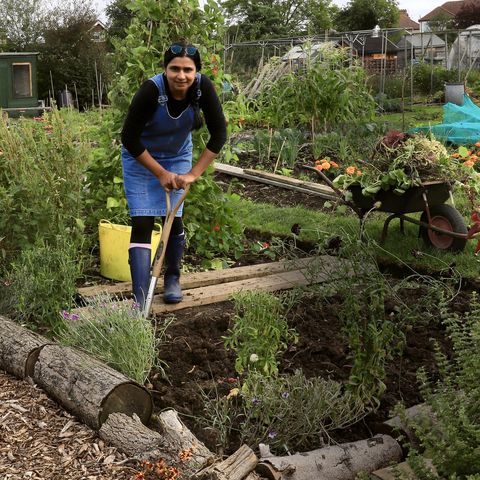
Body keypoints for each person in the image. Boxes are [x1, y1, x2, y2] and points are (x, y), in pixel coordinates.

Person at [121, 41, 227, 307]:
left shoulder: (204, 89)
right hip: (142, 158)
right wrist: (159, 172)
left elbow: (219, 135)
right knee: (142, 222)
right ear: (165, 69)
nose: (181, 75)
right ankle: (140, 298)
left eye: (188, 70)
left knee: (174, 217)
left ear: (196, 72)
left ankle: (172, 278)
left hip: (178, 155)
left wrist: (192, 174)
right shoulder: (150, 91)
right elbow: (129, 138)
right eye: (175, 69)